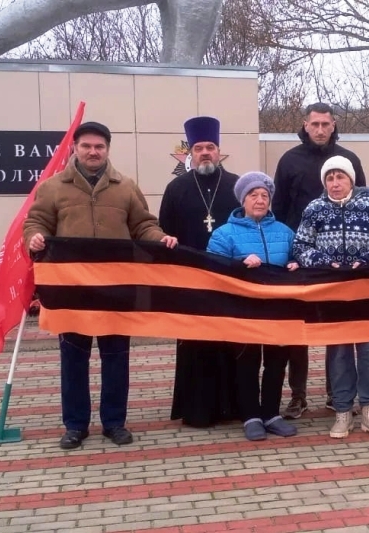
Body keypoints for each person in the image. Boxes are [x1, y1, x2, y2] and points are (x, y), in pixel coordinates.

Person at [24, 121, 178, 450]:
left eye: (100, 147)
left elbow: (143, 225)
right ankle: (76, 425)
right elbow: (36, 221)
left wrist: (159, 238)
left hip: (115, 289)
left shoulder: (125, 187)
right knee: (73, 360)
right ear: (75, 149)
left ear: (107, 150)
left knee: (116, 358)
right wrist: (33, 238)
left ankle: (114, 423)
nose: (93, 152)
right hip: (72, 290)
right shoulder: (53, 187)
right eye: (87, 146)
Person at [293, 155, 369, 439]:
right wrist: (322, 261)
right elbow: (300, 246)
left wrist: (367, 260)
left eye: (340, 177)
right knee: (339, 354)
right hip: (333, 296)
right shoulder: (314, 209)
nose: (335, 182)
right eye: (330, 178)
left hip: (367, 293)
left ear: (351, 179)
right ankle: (342, 411)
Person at [272, 102, 367, 419]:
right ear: (305, 124)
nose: (321, 129)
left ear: (334, 124)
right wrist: (289, 254)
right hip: (301, 260)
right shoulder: (289, 160)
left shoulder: (349, 159)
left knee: (336, 330)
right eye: (315, 124)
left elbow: (363, 203)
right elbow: (281, 210)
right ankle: (298, 395)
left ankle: (335, 394)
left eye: (326, 124)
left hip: (341, 265)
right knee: (298, 330)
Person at [159, 116, 242, 428]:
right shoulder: (176, 188)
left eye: (210, 147)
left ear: (219, 151)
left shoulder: (237, 186)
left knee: (230, 341)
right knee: (196, 345)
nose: (205, 152)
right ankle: (197, 410)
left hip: (229, 278)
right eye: (198, 148)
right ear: (190, 153)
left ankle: (232, 407)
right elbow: (164, 233)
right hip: (190, 279)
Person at [207, 172, 300, 440]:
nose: (260, 200)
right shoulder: (224, 234)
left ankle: (271, 414)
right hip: (243, 310)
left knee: (276, 363)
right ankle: (250, 416)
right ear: (243, 200)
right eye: (253, 195)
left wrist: (296, 264)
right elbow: (214, 269)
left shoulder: (284, 232)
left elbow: (298, 257)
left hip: (278, 310)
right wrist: (239, 265)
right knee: (247, 363)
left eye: (264, 196)